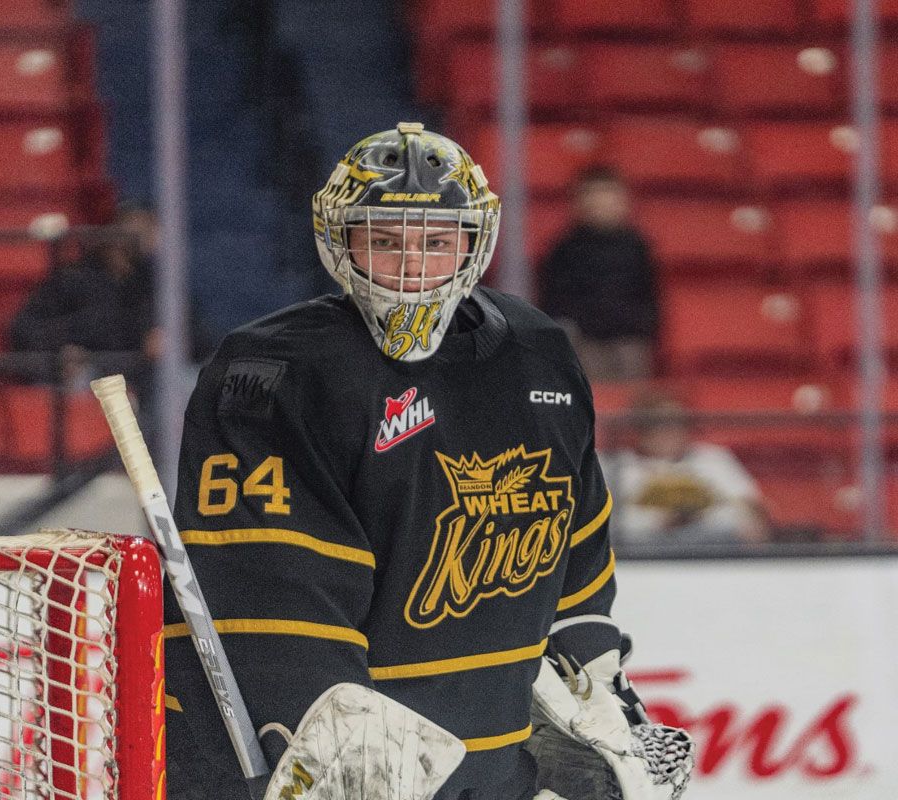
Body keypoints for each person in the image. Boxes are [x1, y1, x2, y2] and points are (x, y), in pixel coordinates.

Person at [163, 123, 693, 800]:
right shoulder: (279, 370)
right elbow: (272, 598)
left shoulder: (539, 354)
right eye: (384, 241)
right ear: (340, 240)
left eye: (436, 242)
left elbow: (576, 545)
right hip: (336, 772)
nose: (412, 266)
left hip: (493, 768)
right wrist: (329, 742)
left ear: (473, 244)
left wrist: (598, 680)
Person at [8, 202, 161, 391]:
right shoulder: (73, 278)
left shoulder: (155, 285)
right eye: (135, 228)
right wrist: (62, 352)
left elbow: (198, 339)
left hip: (143, 377)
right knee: (86, 382)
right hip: (91, 375)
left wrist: (171, 342)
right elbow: (24, 329)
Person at [538, 165, 660, 381]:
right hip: (585, 342)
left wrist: (640, 328)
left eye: (608, 196)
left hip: (629, 340)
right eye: (594, 196)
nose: (601, 204)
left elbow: (649, 296)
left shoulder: (638, 247)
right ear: (578, 203)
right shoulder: (563, 250)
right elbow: (553, 302)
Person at [603, 389, 770, 546]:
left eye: (676, 423)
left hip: (710, 551)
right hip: (643, 553)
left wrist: (697, 512)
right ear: (639, 430)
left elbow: (753, 513)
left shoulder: (713, 458)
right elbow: (606, 526)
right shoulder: (617, 465)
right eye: (658, 424)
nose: (669, 432)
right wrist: (662, 519)